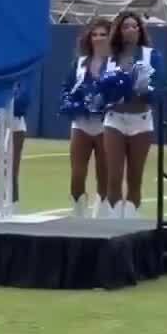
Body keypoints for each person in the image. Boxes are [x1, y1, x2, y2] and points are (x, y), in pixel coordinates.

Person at [101, 10, 162, 219]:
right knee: (114, 176)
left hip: (141, 120)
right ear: (118, 30)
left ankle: (130, 224)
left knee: (135, 178)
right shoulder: (109, 57)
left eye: (135, 26)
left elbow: (161, 86)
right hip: (114, 120)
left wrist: (146, 90)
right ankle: (113, 226)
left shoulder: (151, 55)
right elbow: (100, 89)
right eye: (126, 26)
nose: (131, 30)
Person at [62, 18, 111, 218]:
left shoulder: (116, 63)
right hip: (81, 124)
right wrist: (71, 103)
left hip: (106, 125)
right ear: (88, 38)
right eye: (94, 34)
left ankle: (102, 215)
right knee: (77, 174)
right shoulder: (80, 63)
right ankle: (78, 214)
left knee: (104, 173)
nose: (98, 38)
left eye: (103, 34)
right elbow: (67, 88)